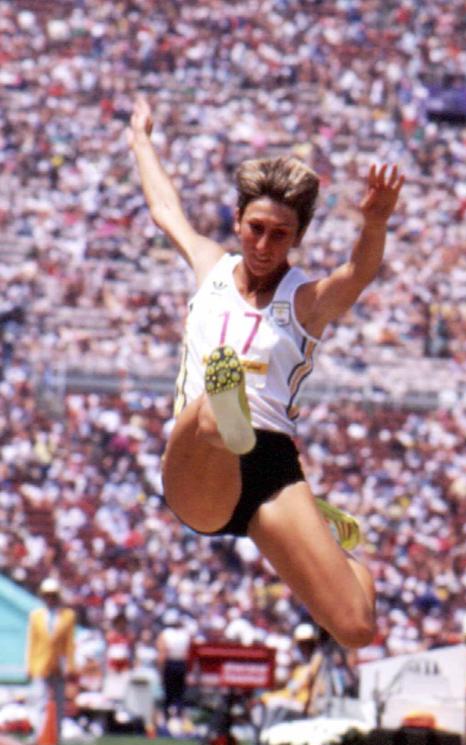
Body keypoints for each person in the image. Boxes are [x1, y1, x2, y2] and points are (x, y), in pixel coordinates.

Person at [127, 95, 404, 650]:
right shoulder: (211, 266)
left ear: (297, 238)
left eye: (280, 234)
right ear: (237, 221)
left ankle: (332, 541)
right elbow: (165, 209)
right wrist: (140, 138)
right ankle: (228, 415)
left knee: (355, 628)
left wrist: (374, 222)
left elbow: (359, 272)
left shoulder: (307, 301)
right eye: (255, 228)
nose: (262, 244)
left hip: (272, 466)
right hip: (199, 462)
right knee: (214, 407)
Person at [26, 577, 77, 743]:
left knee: (60, 700)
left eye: (53, 595)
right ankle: (38, 732)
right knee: (39, 699)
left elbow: (70, 643)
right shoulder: (36, 616)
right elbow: (32, 642)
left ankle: (58, 733)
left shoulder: (68, 616)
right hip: (41, 663)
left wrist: (70, 665)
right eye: (47, 595)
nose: (50, 598)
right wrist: (30, 665)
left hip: (59, 663)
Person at [156, 608, 192, 723]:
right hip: (181, 664)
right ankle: (179, 717)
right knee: (179, 693)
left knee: (168, 693)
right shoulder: (185, 634)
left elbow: (163, 653)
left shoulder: (165, 634)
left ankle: (168, 718)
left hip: (170, 664)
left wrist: (160, 670)